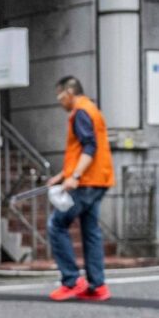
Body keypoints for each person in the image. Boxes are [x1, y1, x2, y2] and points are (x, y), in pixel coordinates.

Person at [47, 76, 115, 302]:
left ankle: (72, 280)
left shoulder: (80, 112)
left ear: (69, 92)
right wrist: (62, 175)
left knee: (56, 224)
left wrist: (74, 176)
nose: (59, 101)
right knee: (90, 231)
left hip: (85, 181)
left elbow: (89, 146)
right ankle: (97, 285)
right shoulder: (92, 110)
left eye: (60, 95)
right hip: (98, 179)